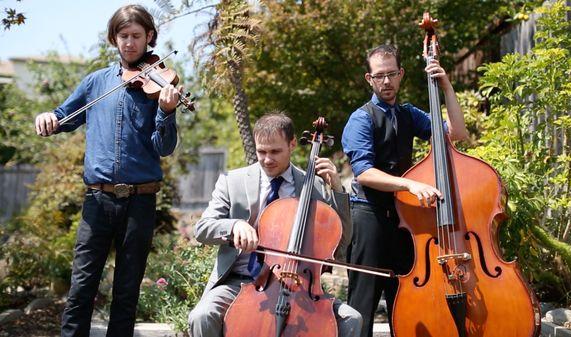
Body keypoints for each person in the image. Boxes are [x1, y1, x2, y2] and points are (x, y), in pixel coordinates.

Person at [34, 5, 183, 337]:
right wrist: (46, 118)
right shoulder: (96, 82)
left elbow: (164, 147)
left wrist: (167, 112)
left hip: (140, 202)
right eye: (123, 36)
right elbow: (63, 116)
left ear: (150, 38)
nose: (129, 44)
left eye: (136, 36)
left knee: (127, 292)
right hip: (97, 201)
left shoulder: (159, 85)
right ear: (113, 39)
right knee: (81, 288)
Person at [188, 112, 363, 337]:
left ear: (292, 145)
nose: (267, 159)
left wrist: (338, 190)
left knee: (352, 320)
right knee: (201, 316)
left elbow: (341, 243)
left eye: (275, 152)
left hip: (298, 287)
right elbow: (203, 228)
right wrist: (233, 226)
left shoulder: (314, 187)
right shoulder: (232, 181)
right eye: (262, 152)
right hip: (237, 283)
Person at [341, 44, 469, 337]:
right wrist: (410, 184)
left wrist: (446, 86)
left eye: (391, 74)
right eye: (379, 75)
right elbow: (365, 173)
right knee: (363, 304)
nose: (386, 81)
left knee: (407, 298)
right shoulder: (361, 118)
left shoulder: (409, 114)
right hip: (368, 216)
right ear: (369, 79)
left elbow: (457, 133)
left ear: (401, 74)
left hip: (404, 219)